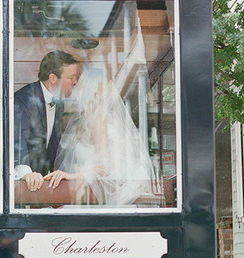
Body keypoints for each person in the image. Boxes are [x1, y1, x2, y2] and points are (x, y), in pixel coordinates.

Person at [45, 65, 159, 206]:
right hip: (93, 194)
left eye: (79, 83)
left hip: (108, 196)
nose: (75, 86)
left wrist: (71, 176)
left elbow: (106, 167)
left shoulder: (98, 119)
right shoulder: (87, 119)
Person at [14, 50, 80, 191]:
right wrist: (27, 173)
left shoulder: (59, 104)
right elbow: (16, 140)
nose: (75, 82)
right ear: (53, 78)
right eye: (72, 77)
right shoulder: (23, 99)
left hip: (36, 186)